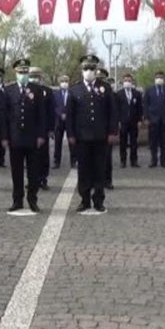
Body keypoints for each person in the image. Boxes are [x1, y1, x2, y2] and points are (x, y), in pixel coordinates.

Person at [66, 55, 118, 213]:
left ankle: (99, 200)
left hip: (100, 137)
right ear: (82, 70)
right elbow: (70, 115)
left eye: (92, 68)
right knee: (84, 170)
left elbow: (112, 112)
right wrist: (71, 135)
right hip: (82, 137)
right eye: (86, 68)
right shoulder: (75, 89)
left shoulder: (105, 88)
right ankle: (85, 200)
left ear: (96, 70)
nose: (89, 71)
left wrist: (112, 132)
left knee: (99, 169)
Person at [2, 59, 46, 212]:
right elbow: (5, 117)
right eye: (20, 72)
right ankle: (17, 200)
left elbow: (42, 115)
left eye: (25, 72)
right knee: (17, 172)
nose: (23, 75)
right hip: (15, 138)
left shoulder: (37, 90)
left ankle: (32, 199)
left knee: (33, 173)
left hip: (32, 137)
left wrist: (41, 135)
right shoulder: (8, 90)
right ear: (15, 73)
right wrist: (5, 137)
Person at [29, 67, 54, 190]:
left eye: (36, 76)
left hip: (43, 129)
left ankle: (43, 178)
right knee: (31, 156)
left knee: (43, 156)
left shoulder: (47, 91)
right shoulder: (26, 90)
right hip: (29, 130)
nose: (34, 79)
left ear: (40, 78)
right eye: (32, 76)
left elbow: (51, 111)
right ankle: (32, 179)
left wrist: (50, 129)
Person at [144, 70, 165, 168]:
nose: (159, 79)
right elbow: (145, 105)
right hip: (153, 120)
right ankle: (153, 160)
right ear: (155, 78)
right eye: (157, 77)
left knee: (164, 142)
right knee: (153, 142)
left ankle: (163, 161)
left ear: (164, 79)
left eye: (161, 77)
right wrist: (146, 118)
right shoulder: (149, 90)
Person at [95, 68, 116, 189]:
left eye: (102, 78)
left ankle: (107, 180)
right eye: (97, 78)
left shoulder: (109, 92)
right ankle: (94, 180)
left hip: (106, 130)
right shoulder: (88, 91)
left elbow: (113, 113)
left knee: (107, 158)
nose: (99, 80)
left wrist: (113, 131)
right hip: (91, 131)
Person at [116, 73, 143, 168]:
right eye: (125, 81)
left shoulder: (137, 94)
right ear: (123, 82)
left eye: (129, 81)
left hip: (134, 121)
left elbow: (140, 108)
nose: (127, 82)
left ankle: (134, 161)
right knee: (122, 142)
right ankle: (123, 161)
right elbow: (116, 109)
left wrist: (140, 120)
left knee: (134, 142)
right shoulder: (118, 94)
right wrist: (118, 121)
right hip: (123, 122)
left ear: (132, 82)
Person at [53, 75, 75, 168]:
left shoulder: (72, 93)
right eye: (62, 81)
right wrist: (60, 114)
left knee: (72, 142)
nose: (64, 83)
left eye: (66, 81)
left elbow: (74, 106)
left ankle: (73, 161)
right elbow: (54, 106)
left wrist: (67, 114)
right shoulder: (55, 94)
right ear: (59, 83)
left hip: (70, 121)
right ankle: (56, 162)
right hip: (59, 121)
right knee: (58, 143)